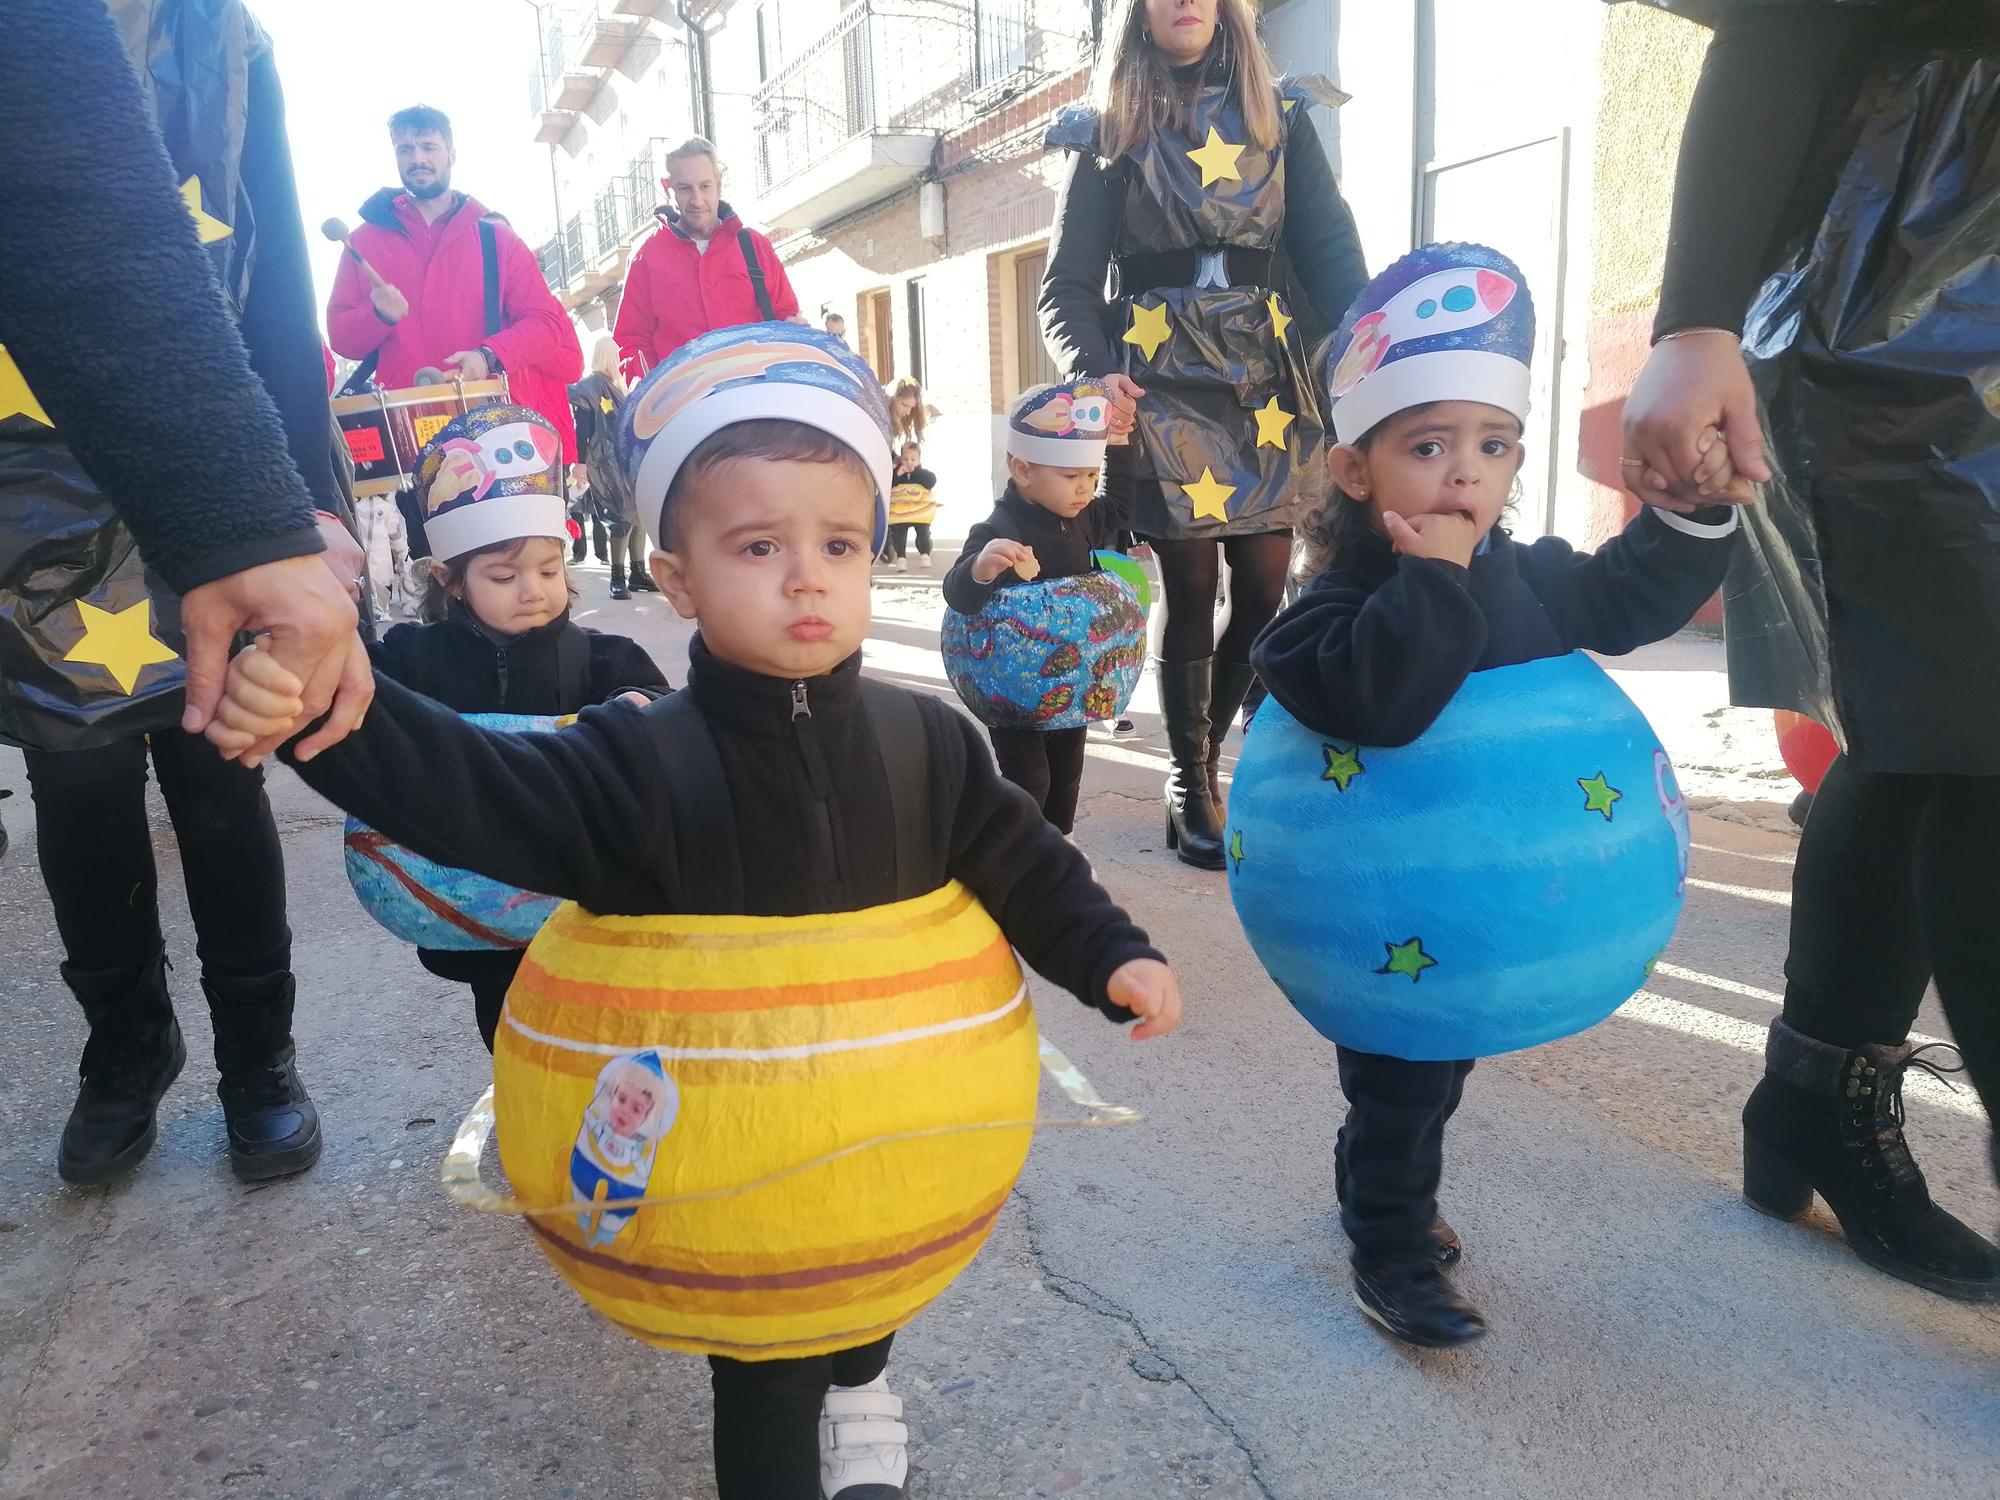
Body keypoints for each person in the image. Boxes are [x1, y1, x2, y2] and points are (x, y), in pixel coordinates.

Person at [207, 322, 1182, 1500]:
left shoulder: (925, 738)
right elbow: (473, 791)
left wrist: (1108, 953)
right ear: (675, 576)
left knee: (870, 1286)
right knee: (761, 1366)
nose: (805, 576)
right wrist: (336, 710)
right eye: (757, 545)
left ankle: (864, 1386)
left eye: (838, 543)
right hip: (729, 1182)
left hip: (896, 1143)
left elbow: (1022, 859)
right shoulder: (632, 760)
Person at [1254, 243, 1746, 1346]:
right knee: (1399, 1080)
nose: (1464, 473)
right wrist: (1430, 575)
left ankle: (1393, 1200)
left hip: (1479, 923)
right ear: (1353, 469)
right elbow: (1378, 699)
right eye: (1426, 446)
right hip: (1389, 929)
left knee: (1442, 1066)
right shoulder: (1321, 617)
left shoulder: (1524, 575)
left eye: (1492, 445)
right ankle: (1386, 1238)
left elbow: (1626, 599)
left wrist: (1687, 514)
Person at [1620, 0, 2000, 1300]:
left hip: (1932, 275)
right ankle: (1815, 1108)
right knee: (1974, 739)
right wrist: (1693, 317)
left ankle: (1813, 1106)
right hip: (1919, 282)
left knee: (1927, 735)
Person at [0, 0, 373, 1186]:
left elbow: (275, 296)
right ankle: (126, 1048)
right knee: (75, 776)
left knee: (222, 771)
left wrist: (306, 504)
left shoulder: (223, 38)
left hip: (204, 459)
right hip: (26, 500)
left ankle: (260, 1057)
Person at [1039, 0, 1368, 871]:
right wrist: (1091, 370)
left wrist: (1367, 350)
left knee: (1263, 591)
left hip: (1265, 386)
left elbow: (1335, 257)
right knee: (1189, 585)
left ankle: (1206, 749)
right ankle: (1190, 779)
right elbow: (1066, 286)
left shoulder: (1280, 115)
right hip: (1159, 386)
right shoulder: (1108, 131)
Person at [368, 403, 665, 1049]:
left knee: (597, 1001)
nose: (532, 590)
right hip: (476, 884)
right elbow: (361, 693)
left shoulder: (598, 659)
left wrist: (640, 706)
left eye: (550, 570)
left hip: (572, 879)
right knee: (503, 1011)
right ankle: (520, 1091)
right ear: (451, 581)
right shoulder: (416, 657)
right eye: (503, 576)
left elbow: (655, 700)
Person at [324, 104, 582, 506]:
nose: (418, 158)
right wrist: (378, 315)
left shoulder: (495, 239)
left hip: (488, 440)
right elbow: (341, 338)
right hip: (402, 448)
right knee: (415, 566)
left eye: (428, 146)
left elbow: (548, 324)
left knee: (491, 566)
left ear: (451, 153)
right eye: (406, 149)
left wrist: (489, 355)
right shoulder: (362, 241)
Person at [942, 382, 1131, 834]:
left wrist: (1121, 445)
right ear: (1023, 470)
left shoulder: (1082, 515)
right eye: (1071, 478)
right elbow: (958, 595)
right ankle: (1020, 854)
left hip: (1072, 677)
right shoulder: (998, 527)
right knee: (1030, 781)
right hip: (1016, 688)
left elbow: (1122, 506)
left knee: (1066, 779)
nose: (1085, 489)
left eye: (1091, 476)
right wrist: (982, 568)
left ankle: (1059, 851)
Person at [612, 138, 801, 381]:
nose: (697, 200)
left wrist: (795, 329)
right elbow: (631, 340)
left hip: (757, 401)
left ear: (719, 184)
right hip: (683, 407)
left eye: (705, 186)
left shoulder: (755, 246)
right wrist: (647, 386)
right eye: (685, 188)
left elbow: (787, 317)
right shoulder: (645, 256)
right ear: (666, 186)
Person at [570, 336, 652, 599]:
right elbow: (581, 428)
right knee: (620, 515)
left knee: (637, 513)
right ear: (609, 356)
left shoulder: (617, 386)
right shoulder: (590, 387)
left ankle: (637, 572)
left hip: (622, 460)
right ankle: (617, 577)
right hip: (602, 462)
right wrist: (580, 463)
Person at [882, 440, 938, 571]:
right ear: (901, 459)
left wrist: (916, 472)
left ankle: (925, 554)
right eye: (906, 459)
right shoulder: (897, 473)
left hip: (919, 512)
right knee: (900, 535)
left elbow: (931, 481)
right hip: (901, 512)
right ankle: (901, 558)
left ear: (919, 459)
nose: (909, 462)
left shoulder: (922, 474)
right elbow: (889, 483)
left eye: (913, 459)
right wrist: (898, 473)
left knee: (923, 533)